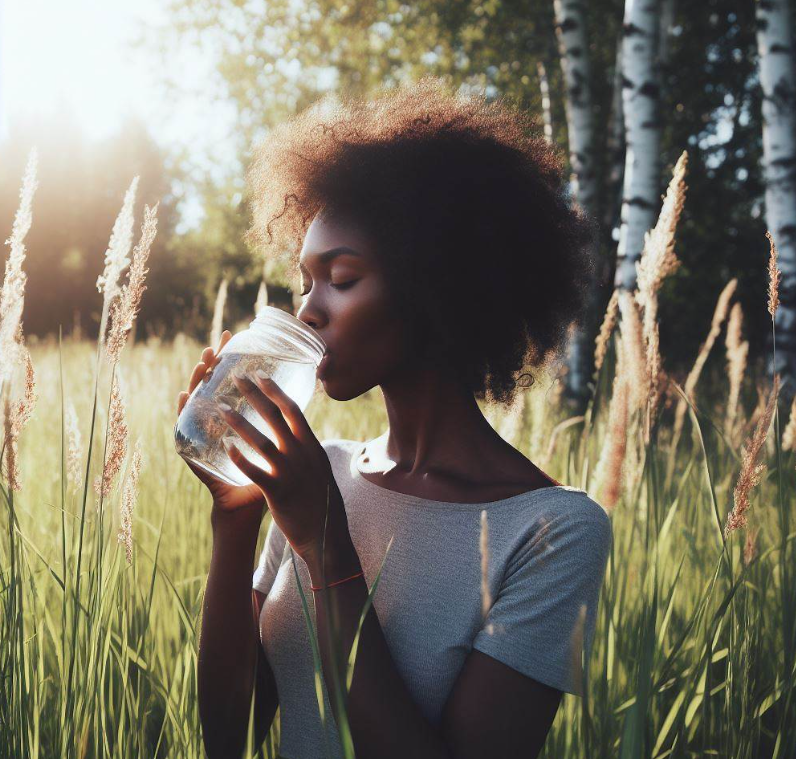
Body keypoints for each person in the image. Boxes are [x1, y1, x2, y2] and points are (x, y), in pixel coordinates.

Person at [177, 76, 613, 759]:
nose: (309, 311)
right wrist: (235, 519)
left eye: (342, 278)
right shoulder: (319, 474)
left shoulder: (553, 530)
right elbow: (229, 735)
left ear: (435, 283)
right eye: (305, 282)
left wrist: (326, 544)